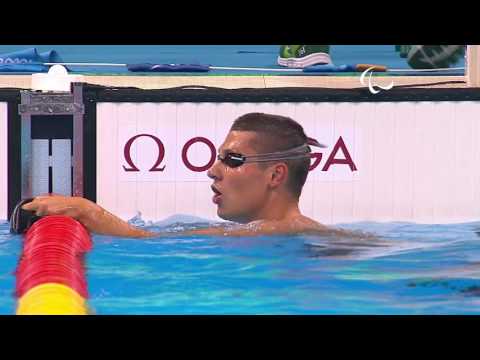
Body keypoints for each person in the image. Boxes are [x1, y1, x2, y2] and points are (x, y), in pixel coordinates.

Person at [21, 113, 352, 238]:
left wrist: (85, 210)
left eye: (232, 160)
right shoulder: (275, 234)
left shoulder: (273, 232)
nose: (212, 170)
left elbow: (148, 242)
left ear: (276, 175)